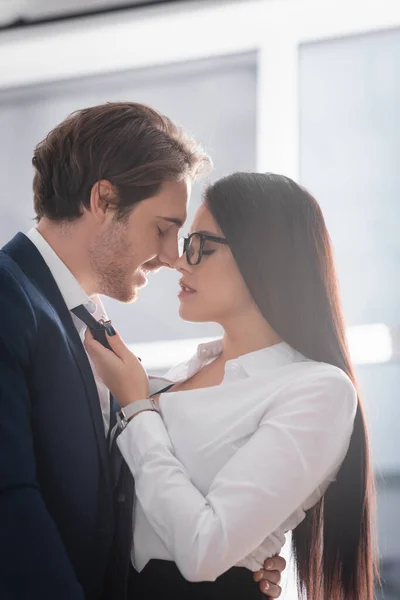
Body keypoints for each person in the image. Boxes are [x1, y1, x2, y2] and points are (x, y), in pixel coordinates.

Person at [0, 103, 284, 600]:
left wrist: (237, 556)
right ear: (104, 200)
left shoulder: (83, 322)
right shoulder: (9, 295)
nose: (174, 256)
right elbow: (9, 503)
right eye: (162, 228)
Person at [85, 172, 378, 600]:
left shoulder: (318, 390)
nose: (180, 262)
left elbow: (204, 551)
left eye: (201, 245)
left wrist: (137, 409)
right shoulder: (182, 374)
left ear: (265, 255)